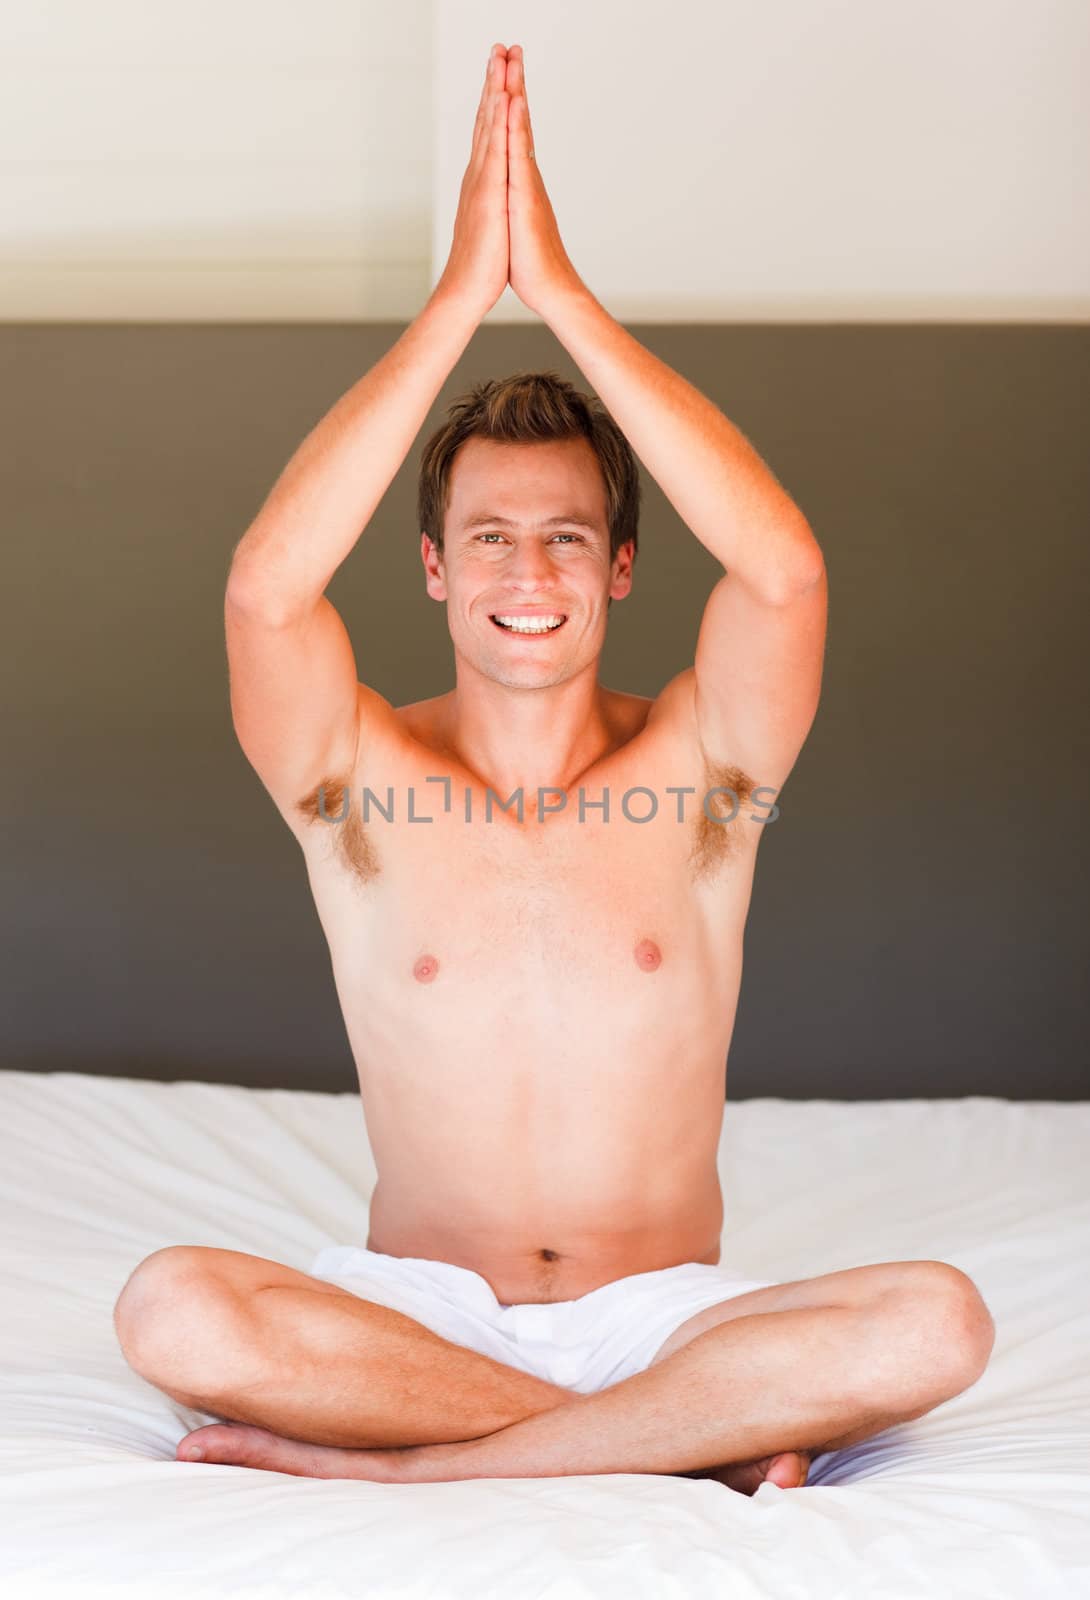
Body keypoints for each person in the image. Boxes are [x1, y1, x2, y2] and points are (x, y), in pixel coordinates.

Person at [113, 42, 994, 1494]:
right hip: (417, 1308)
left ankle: (423, 1460)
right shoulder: (349, 777)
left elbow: (781, 570)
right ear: (434, 570)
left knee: (934, 1324)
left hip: (664, 1320)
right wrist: (462, 297)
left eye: (567, 536)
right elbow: (266, 593)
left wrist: (564, 298)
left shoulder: (707, 767)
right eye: (488, 539)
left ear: (623, 566)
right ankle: (664, 1449)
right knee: (174, 1305)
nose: (527, 570)